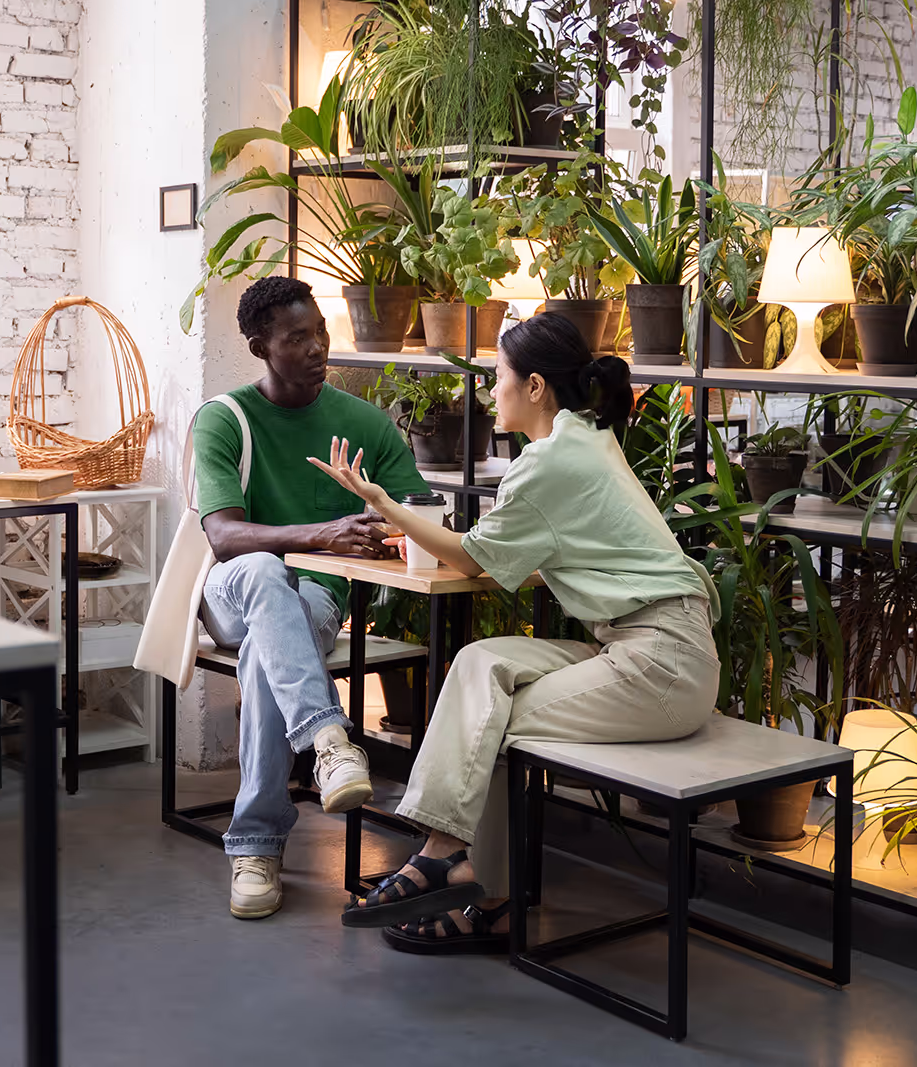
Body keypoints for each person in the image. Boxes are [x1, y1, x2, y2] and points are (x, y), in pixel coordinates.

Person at [309, 312, 720, 953]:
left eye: (497, 378)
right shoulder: (584, 435)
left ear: (533, 387)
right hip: (643, 645)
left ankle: (471, 879)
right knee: (480, 664)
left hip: (662, 665)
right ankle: (457, 863)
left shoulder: (550, 462)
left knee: (489, 721)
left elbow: (470, 560)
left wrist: (384, 505)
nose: (488, 392)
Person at [194, 276, 430, 920]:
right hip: (229, 596)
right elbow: (222, 534)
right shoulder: (224, 419)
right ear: (258, 347)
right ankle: (327, 741)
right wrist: (322, 535)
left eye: (321, 332)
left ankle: (258, 844)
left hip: (314, 606)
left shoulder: (363, 425)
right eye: (297, 339)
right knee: (264, 572)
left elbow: (413, 513)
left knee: (275, 642)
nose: (318, 348)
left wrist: (379, 527)